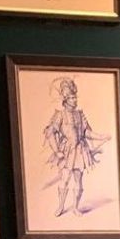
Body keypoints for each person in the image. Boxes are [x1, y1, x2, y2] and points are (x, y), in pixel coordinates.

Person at [42, 76, 104, 217]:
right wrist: (57, 151)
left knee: (78, 180)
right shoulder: (60, 115)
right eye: (72, 98)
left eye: (75, 97)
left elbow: (86, 132)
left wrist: (101, 136)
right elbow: (50, 132)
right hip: (67, 151)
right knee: (64, 178)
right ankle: (61, 206)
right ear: (65, 100)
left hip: (80, 151)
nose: (75, 100)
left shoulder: (80, 114)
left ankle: (75, 207)